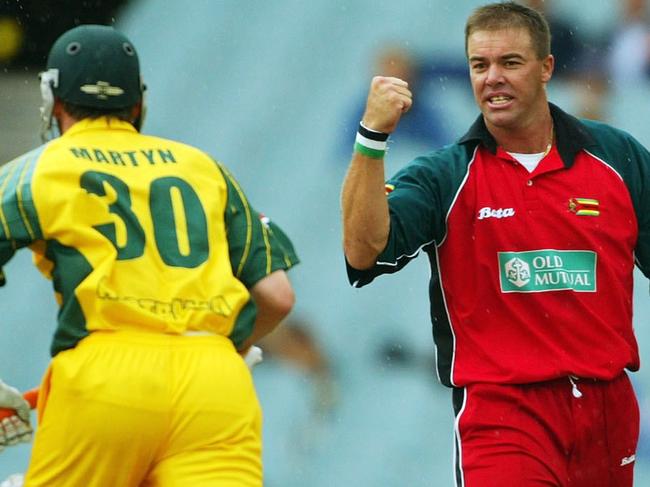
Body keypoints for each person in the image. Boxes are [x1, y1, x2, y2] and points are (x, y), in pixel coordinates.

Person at [341, 2, 648, 486]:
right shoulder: (445, 174)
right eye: (479, 65)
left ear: (546, 67)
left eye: (510, 62)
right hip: (505, 413)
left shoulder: (617, 158)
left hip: (607, 409)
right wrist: (372, 139)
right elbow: (363, 251)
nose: (492, 78)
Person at [0, 24, 298, 486]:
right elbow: (276, 296)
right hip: (215, 379)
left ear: (52, 99)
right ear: (138, 102)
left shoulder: (34, 171)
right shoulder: (205, 168)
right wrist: (223, 348)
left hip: (105, 382)